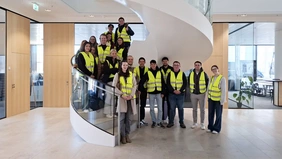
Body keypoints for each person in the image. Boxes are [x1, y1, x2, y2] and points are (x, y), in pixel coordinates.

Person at [112, 60, 137, 144]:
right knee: (122, 118)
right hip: (122, 99)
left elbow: (134, 85)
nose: (125, 66)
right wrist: (121, 94)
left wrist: (131, 95)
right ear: (121, 66)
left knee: (129, 119)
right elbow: (114, 86)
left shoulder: (131, 75)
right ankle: (122, 136)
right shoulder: (117, 75)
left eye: (126, 65)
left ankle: (127, 135)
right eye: (124, 65)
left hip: (130, 99)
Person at [139, 60, 165, 128]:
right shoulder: (148, 73)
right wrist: (142, 89)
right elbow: (142, 81)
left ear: (156, 64)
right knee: (152, 108)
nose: (153, 65)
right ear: (150, 65)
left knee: (160, 108)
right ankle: (154, 121)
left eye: (154, 64)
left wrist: (163, 92)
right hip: (151, 93)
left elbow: (163, 83)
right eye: (151, 64)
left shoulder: (160, 72)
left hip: (159, 93)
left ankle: (159, 122)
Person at [188, 61, 209, 130]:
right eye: (196, 65)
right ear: (194, 66)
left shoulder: (204, 74)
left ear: (200, 66)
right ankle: (195, 122)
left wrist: (205, 92)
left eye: (198, 65)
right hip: (193, 94)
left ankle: (202, 123)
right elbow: (189, 83)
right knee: (194, 109)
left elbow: (207, 84)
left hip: (201, 94)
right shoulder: (191, 74)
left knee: (202, 109)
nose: (197, 66)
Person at [166, 61, 187, 128]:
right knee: (172, 109)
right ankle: (171, 122)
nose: (176, 66)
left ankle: (181, 122)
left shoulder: (182, 74)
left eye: (177, 65)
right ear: (173, 66)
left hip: (180, 94)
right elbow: (168, 83)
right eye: (175, 65)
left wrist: (180, 91)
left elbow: (185, 84)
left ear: (180, 66)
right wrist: (173, 91)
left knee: (181, 109)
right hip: (172, 94)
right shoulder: (170, 73)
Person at [207, 65, 226, 134]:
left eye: (215, 69)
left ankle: (217, 128)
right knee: (210, 114)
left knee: (218, 115)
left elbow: (223, 90)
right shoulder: (211, 78)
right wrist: (208, 97)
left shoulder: (222, 78)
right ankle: (210, 127)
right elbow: (208, 88)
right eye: (212, 69)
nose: (214, 70)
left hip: (218, 100)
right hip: (211, 99)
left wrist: (222, 100)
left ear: (218, 69)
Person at [77, 42, 96, 112]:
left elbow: (94, 66)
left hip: (90, 77)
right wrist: (89, 73)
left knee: (88, 92)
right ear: (83, 47)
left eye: (89, 46)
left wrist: (93, 74)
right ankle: (84, 107)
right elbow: (82, 66)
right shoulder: (81, 55)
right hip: (84, 76)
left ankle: (88, 106)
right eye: (86, 46)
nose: (88, 47)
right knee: (84, 92)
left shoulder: (91, 55)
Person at [102, 49, 120, 118]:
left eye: (115, 53)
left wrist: (112, 70)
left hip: (115, 81)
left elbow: (119, 70)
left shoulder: (118, 62)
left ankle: (112, 112)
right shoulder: (106, 61)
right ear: (110, 54)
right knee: (109, 96)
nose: (114, 54)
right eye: (113, 53)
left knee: (114, 97)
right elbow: (106, 70)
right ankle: (107, 112)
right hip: (108, 81)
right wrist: (114, 70)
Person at [133, 57, 149, 126]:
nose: (142, 62)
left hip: (144, 89)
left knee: (143, 105)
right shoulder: (136, 69)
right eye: (140, 61)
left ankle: (142, 119)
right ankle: (137, 119)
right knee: (137, 104)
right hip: (137, 89)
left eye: (143, 61)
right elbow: (134, 77)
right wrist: (138, 88)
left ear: (145, 62)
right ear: (139, 62)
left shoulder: (147, 69)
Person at [159, 57, 173, 124]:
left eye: (166, 61)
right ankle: (162, 118)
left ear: (168, 61)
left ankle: (170, 119)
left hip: (170, 89)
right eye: (163, 61)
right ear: (162, 62)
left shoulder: (171, 69)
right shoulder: (160, 69)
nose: (165, 62)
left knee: (170, 104)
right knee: (161, 105)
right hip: (162, 89)